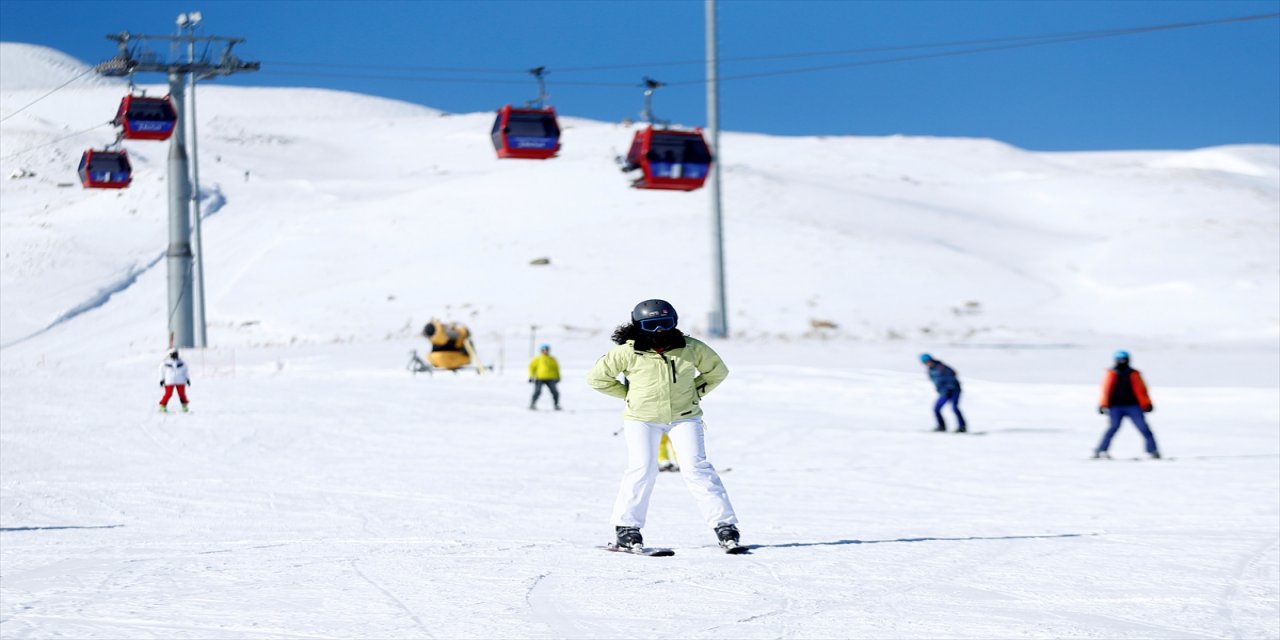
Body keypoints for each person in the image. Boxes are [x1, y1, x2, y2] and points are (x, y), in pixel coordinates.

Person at [587, 299, 742, 551]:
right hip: (641, 419)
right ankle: (627, 528)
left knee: (697, 469)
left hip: (684, 416)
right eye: (652, 325)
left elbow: (717, 371)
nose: (660, 331)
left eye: (665, 324)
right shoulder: (627, 352)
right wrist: (629, 395)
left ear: (675, 323)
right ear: (639, 326)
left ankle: (725, 526)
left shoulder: (689, 347)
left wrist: (695, 391)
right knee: (642, 469)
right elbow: (597, 379)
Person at [1094, 350, 1160, 459]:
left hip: (1133, 406)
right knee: (1112, 428)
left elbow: (1142, 390)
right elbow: (1106, 390)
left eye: (1124, 359)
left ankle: (1152, 451)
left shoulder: (1134, 374)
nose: (1122, 361)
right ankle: (1101, 450)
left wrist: (1148, 403)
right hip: (1115, 407)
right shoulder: (1111, 373)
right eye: (1119, 359)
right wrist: (1102, 404)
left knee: (1144, 428)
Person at [920, 353, 966, 432]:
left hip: (954, 390)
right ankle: (941, 426)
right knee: (936, 409)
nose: (927, 363)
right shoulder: (931, 370)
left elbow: (951, 377)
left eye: (928, 361)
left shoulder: (941, 367)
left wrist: (950, 388)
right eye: (925, 362)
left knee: (954, 408)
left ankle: (962, 427)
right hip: (944, 392)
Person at [528, 343, 561, 410]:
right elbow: (531, 368)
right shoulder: (537, 359)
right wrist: (531, 376)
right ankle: (532, 404)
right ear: (541, 350)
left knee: (555, 392)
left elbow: (556, 368)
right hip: (540, 378)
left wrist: (558, 377)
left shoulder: (552, 359)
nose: (546, 351)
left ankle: (556, 405)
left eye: (547, 350)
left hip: (551, 378)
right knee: (537, 391)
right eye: (544, 350)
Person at [158, 348, 191, 413]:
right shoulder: (165, 363)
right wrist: (161, 379)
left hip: (180, 380)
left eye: (176, 354)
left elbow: (186, 371)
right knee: (168, 394)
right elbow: (161, 371)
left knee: (182, 394)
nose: (175, 355)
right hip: (169, 380)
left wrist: (187, 379)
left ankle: (184, 406)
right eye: (173, 354)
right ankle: (162, 405)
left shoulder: (182, 362)